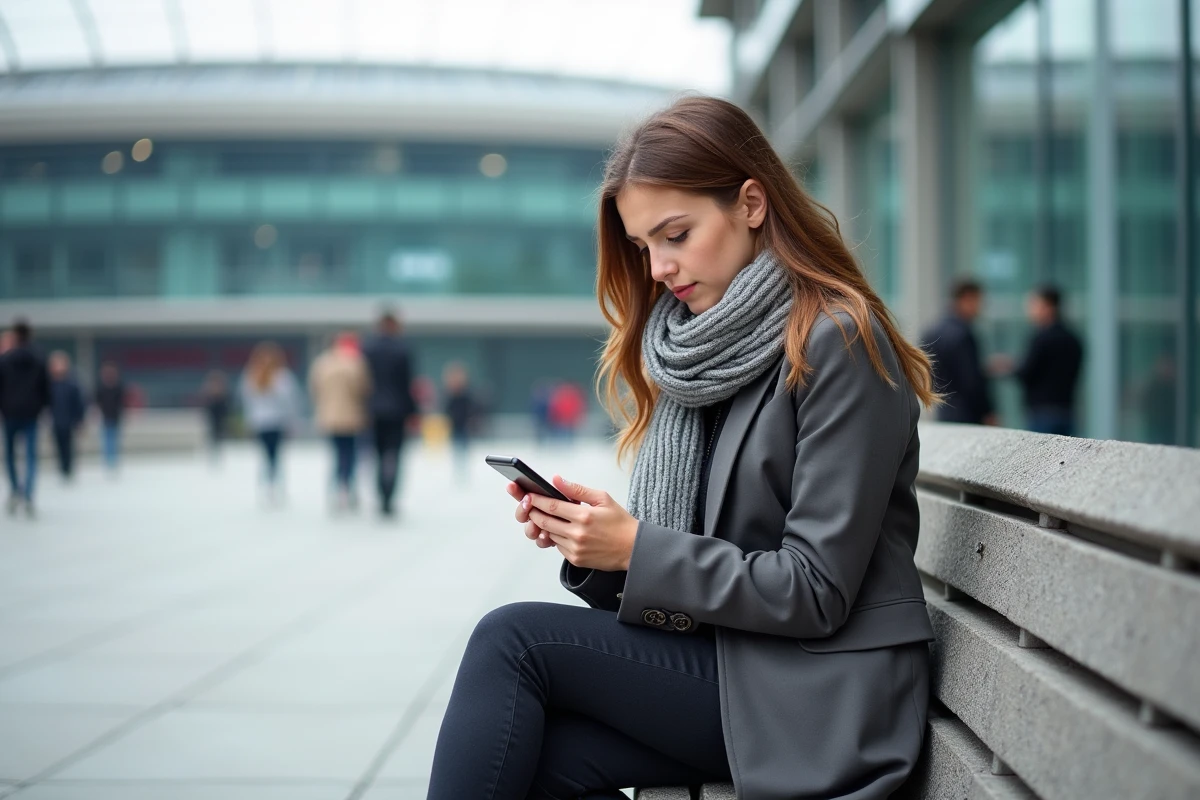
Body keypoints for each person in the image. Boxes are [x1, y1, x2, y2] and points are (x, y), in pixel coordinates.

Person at [427, 96, 940, 799]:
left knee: (512, 642)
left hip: (821, 691)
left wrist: (636, 548)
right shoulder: (700, 353)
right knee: (543, 762)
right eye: (644, 247)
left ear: (751, 204)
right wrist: (598, 548)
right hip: (741, 665)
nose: (659, 268)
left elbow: (815, 590)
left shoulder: (836, 342)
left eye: (676, 234)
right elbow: (702, 568)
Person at [992, 285, 1085, 436]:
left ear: (1048, 307)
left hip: (1042, 412)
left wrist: (1006, 366)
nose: (1030, 311)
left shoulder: (1041, 338)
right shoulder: (1073, 339)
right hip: (1067, 410)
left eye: (1034, 305)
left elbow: (1026, 371)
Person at [362, 311, 417, 518]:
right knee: (393, 454)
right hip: (397, 410)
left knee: (377, 455)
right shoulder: (402, 349)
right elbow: (407, 384)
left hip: (374, 410)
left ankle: (380, 494)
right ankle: (389, 497)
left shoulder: (368, 348)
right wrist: (413, 412)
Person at [309, 332, 372, 511]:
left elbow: (314, 389)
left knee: (337, 454)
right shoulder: (355, 363)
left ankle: (337, 489)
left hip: (329, 416)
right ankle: (348, 488)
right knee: (350, 454)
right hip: (351, 416)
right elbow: (364, 389)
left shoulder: (322, 363)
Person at [920, 278, 996, 425]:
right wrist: (987, 411)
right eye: (978, 301)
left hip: (942, 408)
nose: (980, 307)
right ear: (966, 299)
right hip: (967, 413)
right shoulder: (963, 334)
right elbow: (971, 381)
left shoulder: (932, 331)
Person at [239, 342, 301, 504]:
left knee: (266, 456)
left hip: (261, 423)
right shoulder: (283, 377)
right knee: (275, 456)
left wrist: (249, 422)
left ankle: (269, 487)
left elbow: (247, 403)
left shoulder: (251, 376)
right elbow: (290, 402)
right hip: (276, 422)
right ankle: (274, 486)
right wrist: (292, 421)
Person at [0, 319, 49, 516]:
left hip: (9, 413)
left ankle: (15, 489)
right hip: (31, 414)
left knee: (10, 455)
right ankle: (28, 493)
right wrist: (42, 408)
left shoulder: (5, 360)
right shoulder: (39, 359)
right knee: (30, 456)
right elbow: (46, 389)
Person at [47, 351, 86, 481]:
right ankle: (62, 467)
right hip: (56, 420)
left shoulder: (72, 383)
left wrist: (80, 419)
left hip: (69, 420)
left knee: (68, 445)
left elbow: (79, 403)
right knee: (58, 445)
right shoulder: (50, 384)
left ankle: (68, 468)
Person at [442, 362, 475, 482]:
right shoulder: (451, 395)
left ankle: (463, 472)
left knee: (464, 449)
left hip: (463, 425)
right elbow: (447, 410)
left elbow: (471, 408)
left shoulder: (465, 394)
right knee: (457, 448)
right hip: (455, 425)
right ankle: (459, 472)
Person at [94, 362, 128, 474]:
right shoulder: (102, 387)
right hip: (105, 417)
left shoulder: (118, 387)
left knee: (114, 439)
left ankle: (113, 459)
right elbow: (97, 401)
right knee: (107, 439)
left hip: (115, 417)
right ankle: (108, 460)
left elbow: (122, 402)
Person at [200, 371, 231, 463]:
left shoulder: (222, 393)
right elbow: (206, 406)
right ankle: (213, 453)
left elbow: (225, 406)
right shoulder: (209, 393)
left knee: (219, 435)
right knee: (212, 435)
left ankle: (218, 452)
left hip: (219, 416)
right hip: (213, 416)